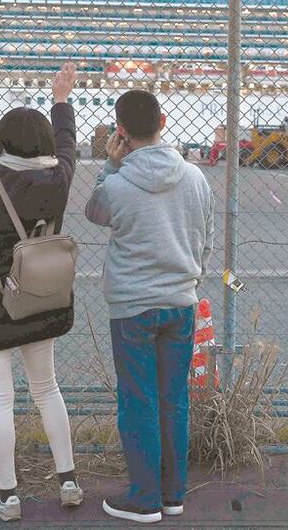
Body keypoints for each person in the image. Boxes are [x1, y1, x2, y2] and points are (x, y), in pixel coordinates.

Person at [0, 63, 83, 523]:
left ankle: (8, 495)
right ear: (45, 146)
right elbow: (68, 147)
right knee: (47, 389)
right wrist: (60, 100)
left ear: (1, 146)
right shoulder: (59, 181)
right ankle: (68, 480)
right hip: (42, 302)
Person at [85, 90, 215, 524]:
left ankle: (143, 498)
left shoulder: (118, 184)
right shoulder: (196, 178)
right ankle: (172, 494)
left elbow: (94, 212)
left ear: (120, 129)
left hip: (132, 306)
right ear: (163, 120)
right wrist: (188, 279)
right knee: (174, 400)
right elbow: (207, 241)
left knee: (138, 400)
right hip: (181, 302)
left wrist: (110, 163)